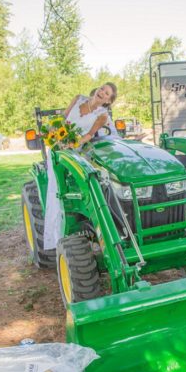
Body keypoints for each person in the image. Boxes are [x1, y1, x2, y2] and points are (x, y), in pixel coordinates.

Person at [42, 83, 118, 250]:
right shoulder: (78, 99)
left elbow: (89, 135)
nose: (102, 93)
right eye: (102, 89)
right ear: (97, 89)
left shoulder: (102, 115)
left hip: (76, 151)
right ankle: (54, 235)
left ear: (107, 101)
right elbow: (62, 120)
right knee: (55, 190)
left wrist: (73, 143)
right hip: (57, 147)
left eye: (106, 94)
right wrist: (51, 131)